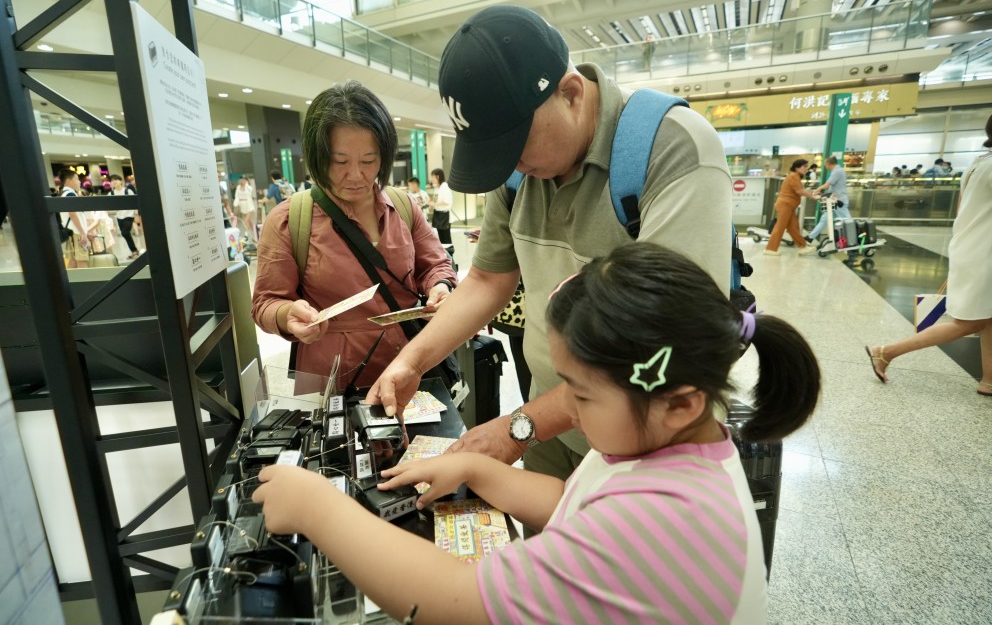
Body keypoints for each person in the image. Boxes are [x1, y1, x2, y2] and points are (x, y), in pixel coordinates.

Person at [253, 243, 821, 623]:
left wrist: (319, 511)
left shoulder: (668, 520)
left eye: (580, 392)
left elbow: (458, 600)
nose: (565, 408)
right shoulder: (677, 444)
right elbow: (582, 504)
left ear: (678, 403)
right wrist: (478, 469)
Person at [366, 4, 732, 492]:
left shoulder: (672, 149)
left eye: (516, 144)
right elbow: (488, 279)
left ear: (571, 93)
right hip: (552, 421)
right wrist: (412, 360)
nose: (509, 164)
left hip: (645, 439)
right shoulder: (517, 173)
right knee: (552, 558)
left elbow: (663, 343)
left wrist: (517, 428)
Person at [251, 81, 457, 385]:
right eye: (340, 162)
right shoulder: (290, 219)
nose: (356, 175)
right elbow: (265, 302)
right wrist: (287, 314)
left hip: (408, 365)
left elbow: (436, 265)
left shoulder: (402, 206)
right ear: (318, 157)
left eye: (369, 161)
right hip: (329, 378)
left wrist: (440, 287)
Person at [867, 115, 992, 396]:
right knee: (971, 321)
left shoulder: (978, 163)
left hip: (970, 246)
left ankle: (989, 380)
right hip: (985, 252)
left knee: (987, 317)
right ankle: (886, 352)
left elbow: (963, 209)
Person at [763, 159, 814, 257]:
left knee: (793, 227)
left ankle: (802, 247)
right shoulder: (794, 176)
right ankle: (770, 249)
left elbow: (799, 190)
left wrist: (811, 194)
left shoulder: (794, 176)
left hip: (788, 205)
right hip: (785, 205)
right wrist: (812, 196)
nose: (806, 169)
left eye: (807, 167)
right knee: (780, 226)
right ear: (797, 167)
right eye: (804, 166)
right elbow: (799, 191)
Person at [805, 156, 851, 245]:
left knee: (847, 222)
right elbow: (831, 188)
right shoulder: (838, 171)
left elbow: (827, 185)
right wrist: (822, 194)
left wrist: (817, 190)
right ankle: (810, 238)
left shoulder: (837, 171)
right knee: (824, 219)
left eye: (825, 164)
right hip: (834, 201)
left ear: (829, 164)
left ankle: (855, 238)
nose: (825, 166)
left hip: (838, 201)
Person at [109, 174, 139, 259]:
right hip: (119, 217)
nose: (114, 181)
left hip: (129, 216)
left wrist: (136, 215)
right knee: (126, 234)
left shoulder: (128, 191)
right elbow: (108, 205)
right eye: (112, 180)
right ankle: (134, 251)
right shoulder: (111, 193)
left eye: (116, 179)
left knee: (125, 233)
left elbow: (135, 203)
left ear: (121, 181)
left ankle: (134, 250)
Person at [430, 168, 452, 245]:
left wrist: (434, 204)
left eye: (432, 177)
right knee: (441, 239)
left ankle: (450, 256)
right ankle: (444, 255)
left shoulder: (445, 186)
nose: (431, 179)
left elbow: (446, 201)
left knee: (446, 239)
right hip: (438, 214)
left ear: (438, 177)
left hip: (444, 216)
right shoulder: (437, 187)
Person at [233, 175, 258, 243]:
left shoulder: (248, 187)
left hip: (249, 206)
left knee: (246, 221)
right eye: (241, 179)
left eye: (244, 179)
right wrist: (236, 205)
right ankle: (256, 234)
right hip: (242, 206)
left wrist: (246, 183)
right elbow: (236, 197)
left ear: (246, 180)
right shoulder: (238, 187)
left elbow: (250, 191)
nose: (242, 180)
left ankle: (246, 236)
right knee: (249, 222)